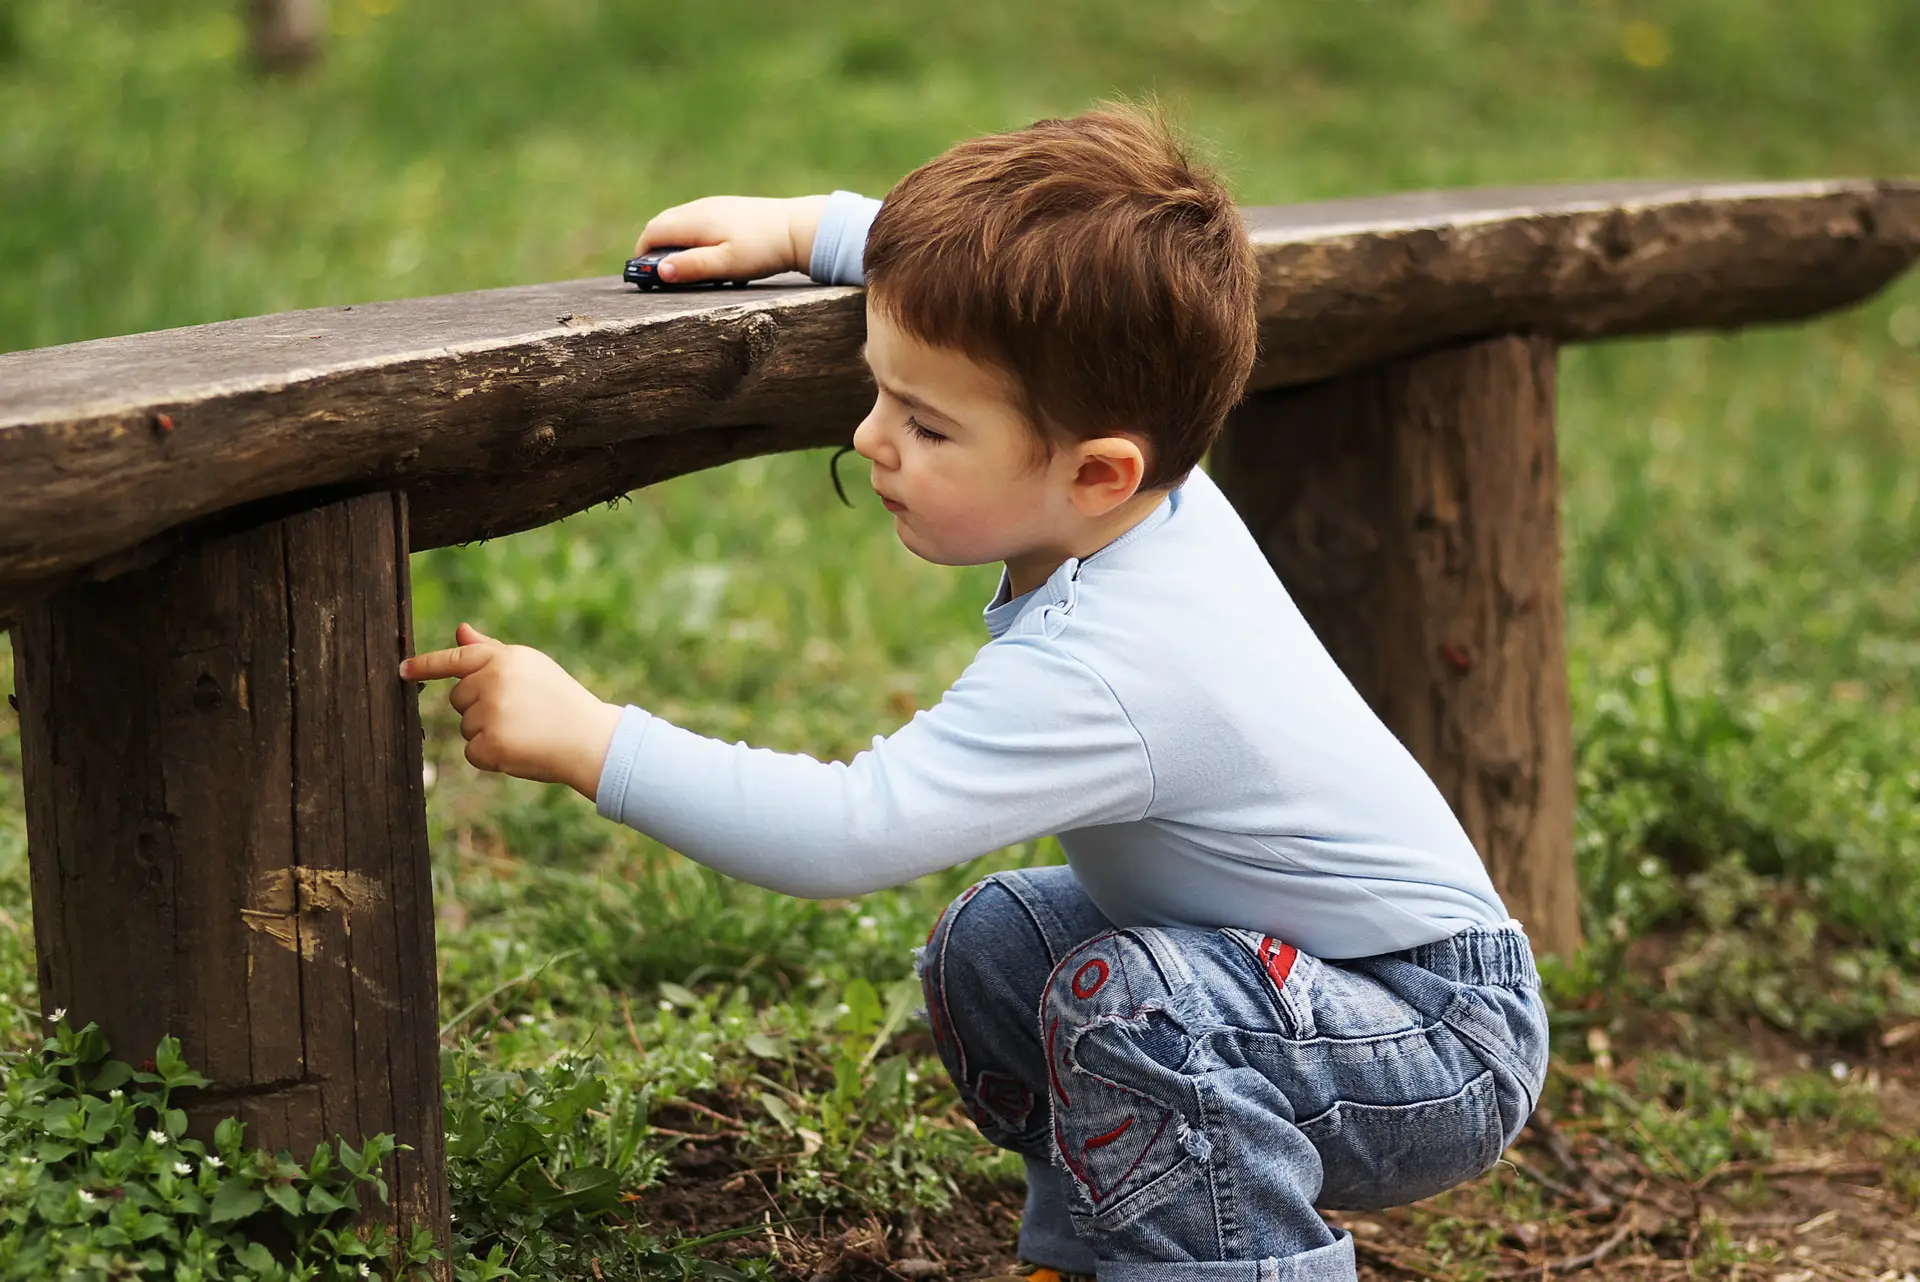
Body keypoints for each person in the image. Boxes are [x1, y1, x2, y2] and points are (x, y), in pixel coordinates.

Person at [400, 103, 1550, 1282]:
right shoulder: (1154, 484)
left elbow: (848, 833)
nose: (871, 437)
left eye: (928, 423)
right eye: (881, 391)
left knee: (1137, 1006)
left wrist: (597, 741)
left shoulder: (1117, 657)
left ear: (1099, 470)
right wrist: (816, 229)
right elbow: (1005, 289)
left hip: (1435, 1039)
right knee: (1000, 942)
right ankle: (1105, 1254)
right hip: (1306, 980)